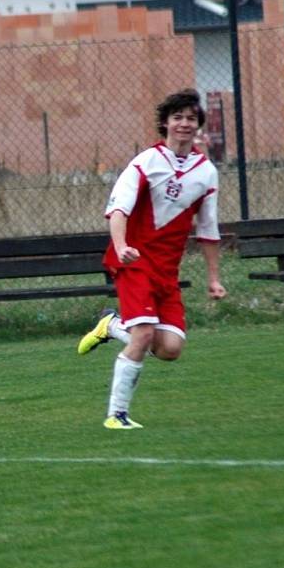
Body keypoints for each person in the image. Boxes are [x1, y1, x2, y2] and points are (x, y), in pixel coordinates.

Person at [77, 89, 227, 429]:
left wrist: (214, 278)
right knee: (143, 335)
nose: (184, 124)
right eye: (178, 118)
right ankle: (117, 415)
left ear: (198, 125)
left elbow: (208, 229)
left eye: (191, 118)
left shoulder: (206, 172)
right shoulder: (146, 162)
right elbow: (118, 210)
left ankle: (111, 325)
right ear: (165, 123)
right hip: (133, 262)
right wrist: (121, 246)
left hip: (166, 272)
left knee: (171, 348)